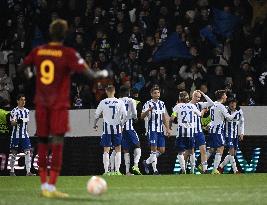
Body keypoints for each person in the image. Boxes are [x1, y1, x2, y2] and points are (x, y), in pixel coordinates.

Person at [21, 19, 108, 198]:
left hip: (41, 103)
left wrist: (31, 76)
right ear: (65, 34)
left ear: (50, 33)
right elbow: (89, 73)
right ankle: (52, 186)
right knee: (58, 142)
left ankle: (44, 185)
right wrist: (103, 74)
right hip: (58, 105)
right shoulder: (67, 53)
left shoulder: (38, 51)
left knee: (43, 143)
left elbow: (24, 67)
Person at [94, 85, 127, 176]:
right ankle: (117, 171)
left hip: (107, 129)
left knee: (106, 150)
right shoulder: (119, 102)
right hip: (117, 129)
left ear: (106, 91)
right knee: (118, 149)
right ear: (114, 91)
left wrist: (94, 124)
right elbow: (125, 115)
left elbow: (96, 115)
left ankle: (106, 171)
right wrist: (122, 124)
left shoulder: (103, 102)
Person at [171, 91, 205, 174]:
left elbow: (172, 118)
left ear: (180, 98)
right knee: (191, 150)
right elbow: (200, 115)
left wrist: (170, 126)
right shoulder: (192, 106)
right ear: (187, 98)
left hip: (181, 132)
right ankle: (193, 170)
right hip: (190, 132)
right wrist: (204, 110)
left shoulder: (177, 106)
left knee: (180, 151)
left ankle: (183, 169)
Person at [141, 86, 171, 175]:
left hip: (160, 130)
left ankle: (146, 162)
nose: (157, 94)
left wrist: (167, 128)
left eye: (158, 92)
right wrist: (148, 110)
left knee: (162, 150)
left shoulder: (162, 103)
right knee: (153, 150)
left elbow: (163, 117)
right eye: (155, 93)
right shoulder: (147, 103)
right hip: (152, 130)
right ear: (151, 94)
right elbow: (142, 116)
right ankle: (155, 171)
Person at [209, 90, 238, 174]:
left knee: (212, 148)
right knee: (220, 148)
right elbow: (229, 118)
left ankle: (203, 165)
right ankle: (215, 170)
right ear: (222, 96)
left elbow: (212, 119)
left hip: (212, 129)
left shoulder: (213, 105)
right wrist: (235, 113)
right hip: (218, 130)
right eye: (225, 95)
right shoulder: (221, 106)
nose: (226, 97)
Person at [9, 94, 35, 176]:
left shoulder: (27, 111)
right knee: (13, 153)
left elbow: (26, 121)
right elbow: (12, 123)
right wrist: (19, 121)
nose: (23, 101)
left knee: (28, 152)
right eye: (21, 100)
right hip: (16, 135)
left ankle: (28, 172)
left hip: (25, 135)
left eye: (24, 100)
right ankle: (12, 171)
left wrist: (21, 120)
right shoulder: (14, 111)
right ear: (17, 101)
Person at [217, 98, 244, 174]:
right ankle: (236, 171)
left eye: (234, 103)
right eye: (231, 103)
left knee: (233, 154)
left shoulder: (239, 111)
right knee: (231, 152)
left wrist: (241, 133)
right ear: (228, 104)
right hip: (227, 135)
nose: (233, 104)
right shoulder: (225, 110)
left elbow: (242, 122)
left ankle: (220, 167)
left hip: (235, 135)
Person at [190, 90, 214, 173]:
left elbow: (211, 103)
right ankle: (188, 169)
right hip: (190, 131)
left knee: (203, 150)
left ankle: (205, 169)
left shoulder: (200, 105)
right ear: (192, 96)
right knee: (189, 151)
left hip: (199, 131)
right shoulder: (188, 106)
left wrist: (203, 94)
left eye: (199, 97)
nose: (197, 98)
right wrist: (203, 111)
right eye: (196, 96)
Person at [119, 86, 142, 175]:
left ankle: (127, 171)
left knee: (125, 149)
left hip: (120, 128)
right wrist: (135, 118)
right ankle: (135, 165)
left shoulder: (117, 101)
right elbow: (134, 114)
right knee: (137, 146)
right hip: (129, 127)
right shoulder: (131, 100)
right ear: (128, 93)